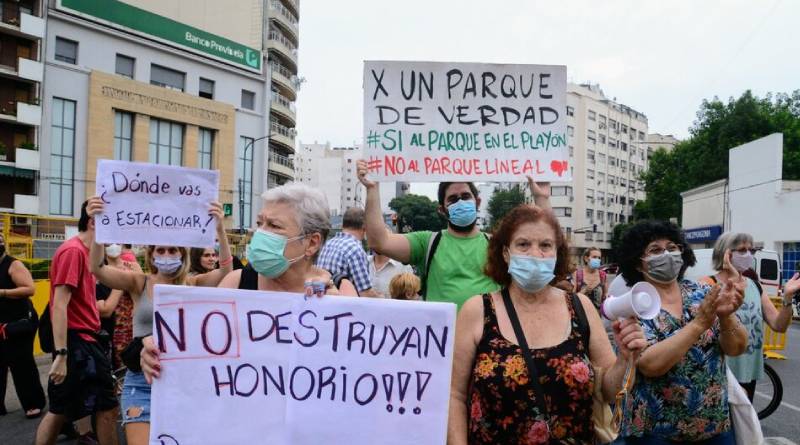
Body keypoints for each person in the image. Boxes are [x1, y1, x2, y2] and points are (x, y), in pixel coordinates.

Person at [448, 205, 646, 444]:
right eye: (523, 244)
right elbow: (454, 395)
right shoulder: (477, 310)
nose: (535, 253)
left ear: (557, 253)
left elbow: (610, 391)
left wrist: (625, 360)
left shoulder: (580, 307)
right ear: (505, 253)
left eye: (545, 245)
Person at [140, 183, 350, 382]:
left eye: (274, 226)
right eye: (260, 223)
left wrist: (338, 316)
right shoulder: (236, 282)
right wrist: (153, 351)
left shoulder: (342, 291)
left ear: (312, 243)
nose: (260, 233)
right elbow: (196, 342)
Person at [85, 197, 232, 445]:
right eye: (160, 250)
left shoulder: (193, 283)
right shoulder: (139, 282)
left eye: (172, 250)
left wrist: (220, 230)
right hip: (141, 380)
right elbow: (97, 269)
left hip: (184, 382)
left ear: (182, 254)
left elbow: (226, 272)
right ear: (152, 256)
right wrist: (100, 228)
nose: (166, 255)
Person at [616, 220, 747, 444]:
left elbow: (737, 348)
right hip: (657, 433)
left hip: (714, 427)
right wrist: (698, 325)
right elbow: (649, 365)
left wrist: (725, 316)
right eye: (655, 250)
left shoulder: (703, 292)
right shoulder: (633, 305)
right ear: (638, 264)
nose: (666, 254)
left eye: (672, 247)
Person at [358, 159, 551, 308]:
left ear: (477, 202)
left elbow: (547, 246)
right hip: (441, 346)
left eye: (466, 197)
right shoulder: (427, 243)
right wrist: (373, 189)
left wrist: (541, 198)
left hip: (488, 350)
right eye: (453, 199)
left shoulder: (498, 246)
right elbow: (379, 242)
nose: (460, 202)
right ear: (442, 210)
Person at [34, 201, 118, 445]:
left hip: (83, 340)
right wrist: (61, 354)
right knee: (105, 407)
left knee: (61, 409)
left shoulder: (88, 253)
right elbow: (59, 304)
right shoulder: (73, 252)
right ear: (93, 223)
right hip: (77, 342)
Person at [702, 232, 800, 401]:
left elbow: (779, 325)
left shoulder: (754, 285)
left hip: (748, 370)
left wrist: (787, 298)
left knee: (743, 425)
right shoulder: (707, 284)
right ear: (725, 253)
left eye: (750, 250)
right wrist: (732, 279)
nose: (747, 255)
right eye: (741, 250)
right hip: (718, 371)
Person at [0, 233, 46, 419]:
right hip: (1, 323)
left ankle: (33, 403)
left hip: (19, 323)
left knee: (22, 363)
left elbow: (30, 289)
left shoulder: (13, 264)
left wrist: (2, 292)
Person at [316, 207, 378, 297]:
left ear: (343, 225)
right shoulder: (355, 250)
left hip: (323, 304)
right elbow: (365, 293)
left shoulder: (327, 245)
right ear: (364, 227)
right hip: (344, 307)